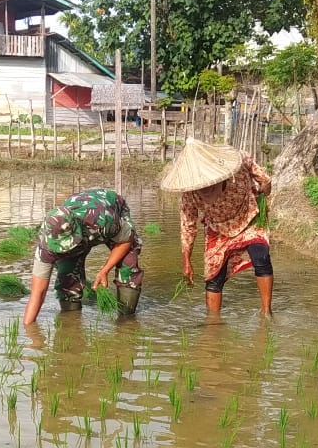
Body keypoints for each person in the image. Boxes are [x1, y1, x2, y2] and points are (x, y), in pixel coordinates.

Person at [161, 138, 273, 316]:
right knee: (213, 277)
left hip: (248, 216)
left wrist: (262, 196)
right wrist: (186, 260)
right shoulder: (189, 194)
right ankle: (213, 323)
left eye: (209, 184)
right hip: (217, 228)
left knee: (261, 258)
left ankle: (266, 313)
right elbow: (188, 226)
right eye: (201, 187)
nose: (205, 189)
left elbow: (265, 180)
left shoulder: (240, 163)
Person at [22, 187, 143, 325]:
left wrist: (104, 270)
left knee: (128, 265)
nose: (66, 249)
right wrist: (28, 331)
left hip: (109, 209)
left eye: (68, 244)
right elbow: (38, 293)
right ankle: (71, 323)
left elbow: (126, 239)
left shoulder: (101, 219)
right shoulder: (46, 246)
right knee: (67, 277)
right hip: (83, 223)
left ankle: (126, 321)